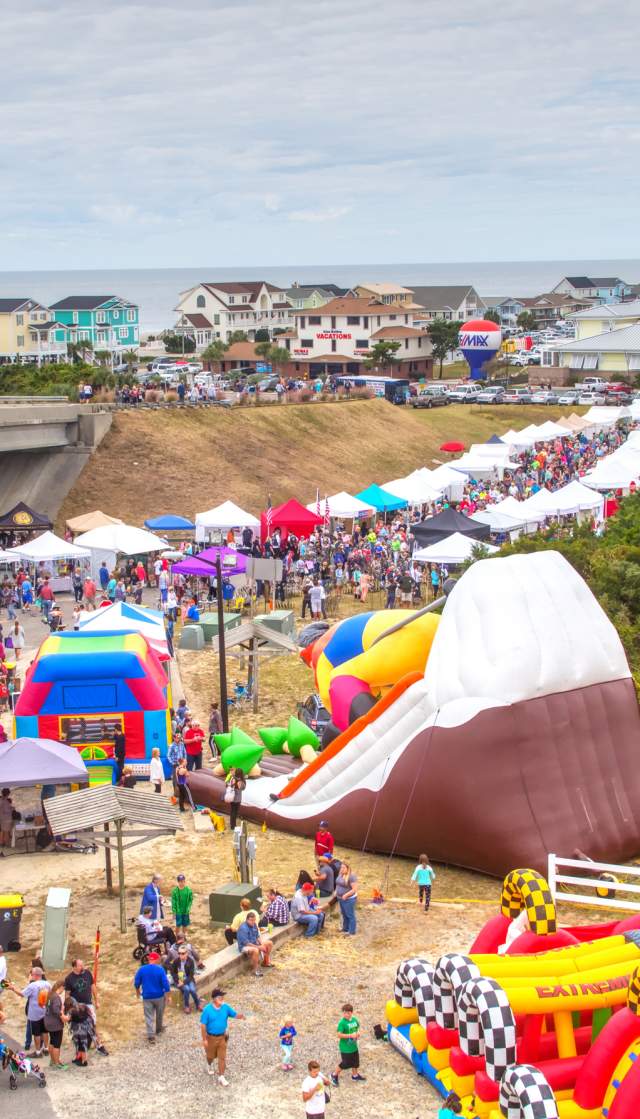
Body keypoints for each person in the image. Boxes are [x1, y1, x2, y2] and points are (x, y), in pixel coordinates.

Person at [63, 956, 108, 1056]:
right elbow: (67, 995)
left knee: (93, 1025)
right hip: (77, 1007)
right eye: (80, 965)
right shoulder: (69, 979)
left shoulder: (87, 973)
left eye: (82, 965)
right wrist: (68, 1008)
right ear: (74, 967)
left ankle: (99, 1045)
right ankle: (80, 1049)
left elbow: (93, 987)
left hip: (88, 1004)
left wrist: (96, 1001)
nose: (82, 967)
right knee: (78, 1028)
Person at [200, 987, 246, 1085]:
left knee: (222, 1057)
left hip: (222, 1037)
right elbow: (203, 1026)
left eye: (222, 997)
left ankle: (221, 1076)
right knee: (210, 1056)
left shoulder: (225, 1007)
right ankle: (209, 1064)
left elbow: (234, 1014)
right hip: (211, 1037)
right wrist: (204, 1040)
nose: (222, 999)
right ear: (214, 998)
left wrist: (241, 1016)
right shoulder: (207, 1010)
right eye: (219, 997)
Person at [7, 965, 51, 1058]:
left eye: (32, 974)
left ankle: (38, 1052)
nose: (31, 975)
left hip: (35, 1014)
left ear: (35, 975)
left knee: (36, 1034)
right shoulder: (47, 984)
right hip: (44, 1012)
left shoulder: (32, 986)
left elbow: (22, 994)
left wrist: (13, 988)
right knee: (45, 1031)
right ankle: (46, 1049)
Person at [134, 950, 170, 1044]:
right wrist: (168, 996)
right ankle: (159, 1029)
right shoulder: (160, 969)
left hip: (147, 997)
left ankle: (151, 1036)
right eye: (159, 959)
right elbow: (165, 984)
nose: (159, 960)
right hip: (159, 996)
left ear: (149, 959)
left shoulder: (142, 969)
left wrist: (138, 992)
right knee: (159, 1014)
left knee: (149, 1016)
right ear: (156, 959)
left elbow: (137, 982)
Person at [331, 1002, 366, 1085]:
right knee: (345, 1063)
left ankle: (355, 1075)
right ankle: (334, 1075)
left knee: (355, 1062)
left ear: (351, 1012)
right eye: (344, 1013)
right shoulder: (342, 1023)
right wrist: (350, 1035)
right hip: (345, 1048)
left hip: (354, 1046)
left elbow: (357, 1027)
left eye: (348, 1013)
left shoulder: (354, 1020)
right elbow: (339, 1035)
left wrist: (358, 1032)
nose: (346, 1014)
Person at [236, 912, 274, 977]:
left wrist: (261, 944)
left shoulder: (254, 925)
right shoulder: (243, 928)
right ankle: (254, 971)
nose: (253, 922)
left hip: (254, 943)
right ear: (247, 920)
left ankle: (266, 962)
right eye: (251, 920)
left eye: (254, 920)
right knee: (255, 950)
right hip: (244, 946)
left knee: (269, 943)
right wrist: (259, 947)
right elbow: (247, 943)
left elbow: (257, 936)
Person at [168, 944, 202, 1014]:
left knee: (192, 990)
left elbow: (191, 975)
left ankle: (198, 1004)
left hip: (188, 979)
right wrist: (178, 980)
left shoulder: (190, 961)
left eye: (183, 953)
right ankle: (186, 1006)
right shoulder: (176, 961)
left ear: (187, 953)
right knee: (186, 989)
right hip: (179, 979)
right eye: (179, 953)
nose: (181, 955)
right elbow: (173, 972)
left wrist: (183, 982)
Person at [44, 979, 69, 1069]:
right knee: (57, 1044)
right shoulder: (56, 997)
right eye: (63, 989)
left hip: (48, 1023)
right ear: (61, 987)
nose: (63, 991)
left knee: (52, 1042)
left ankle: (52, 1061)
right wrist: (63, 1016)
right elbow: (55, 1010)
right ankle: (57, 1063)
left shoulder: (50, 994)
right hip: (56, 1024)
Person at [68, 994, 96, 1066]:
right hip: (87, 1030)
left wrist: (62, 1014)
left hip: (81, 1031)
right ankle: (78, 1058)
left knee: (82, 1046)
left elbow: (68, 1019)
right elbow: (90, 1015)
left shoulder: (72, 1011)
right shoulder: (83, 1005)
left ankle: (84, 1061)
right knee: (80, 1045)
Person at [336, 862, 358, 935]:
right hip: (340, 898)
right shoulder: (340, 874)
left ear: (348, 868)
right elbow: (338, 884)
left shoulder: (351, 876)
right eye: (341, 867)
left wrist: (346, 895)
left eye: (343, 867)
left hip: (349, 899)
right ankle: (345, 928)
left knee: (350, 915)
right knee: (344, 914)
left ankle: (351, 931)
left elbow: (354, 889)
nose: (341, 869)